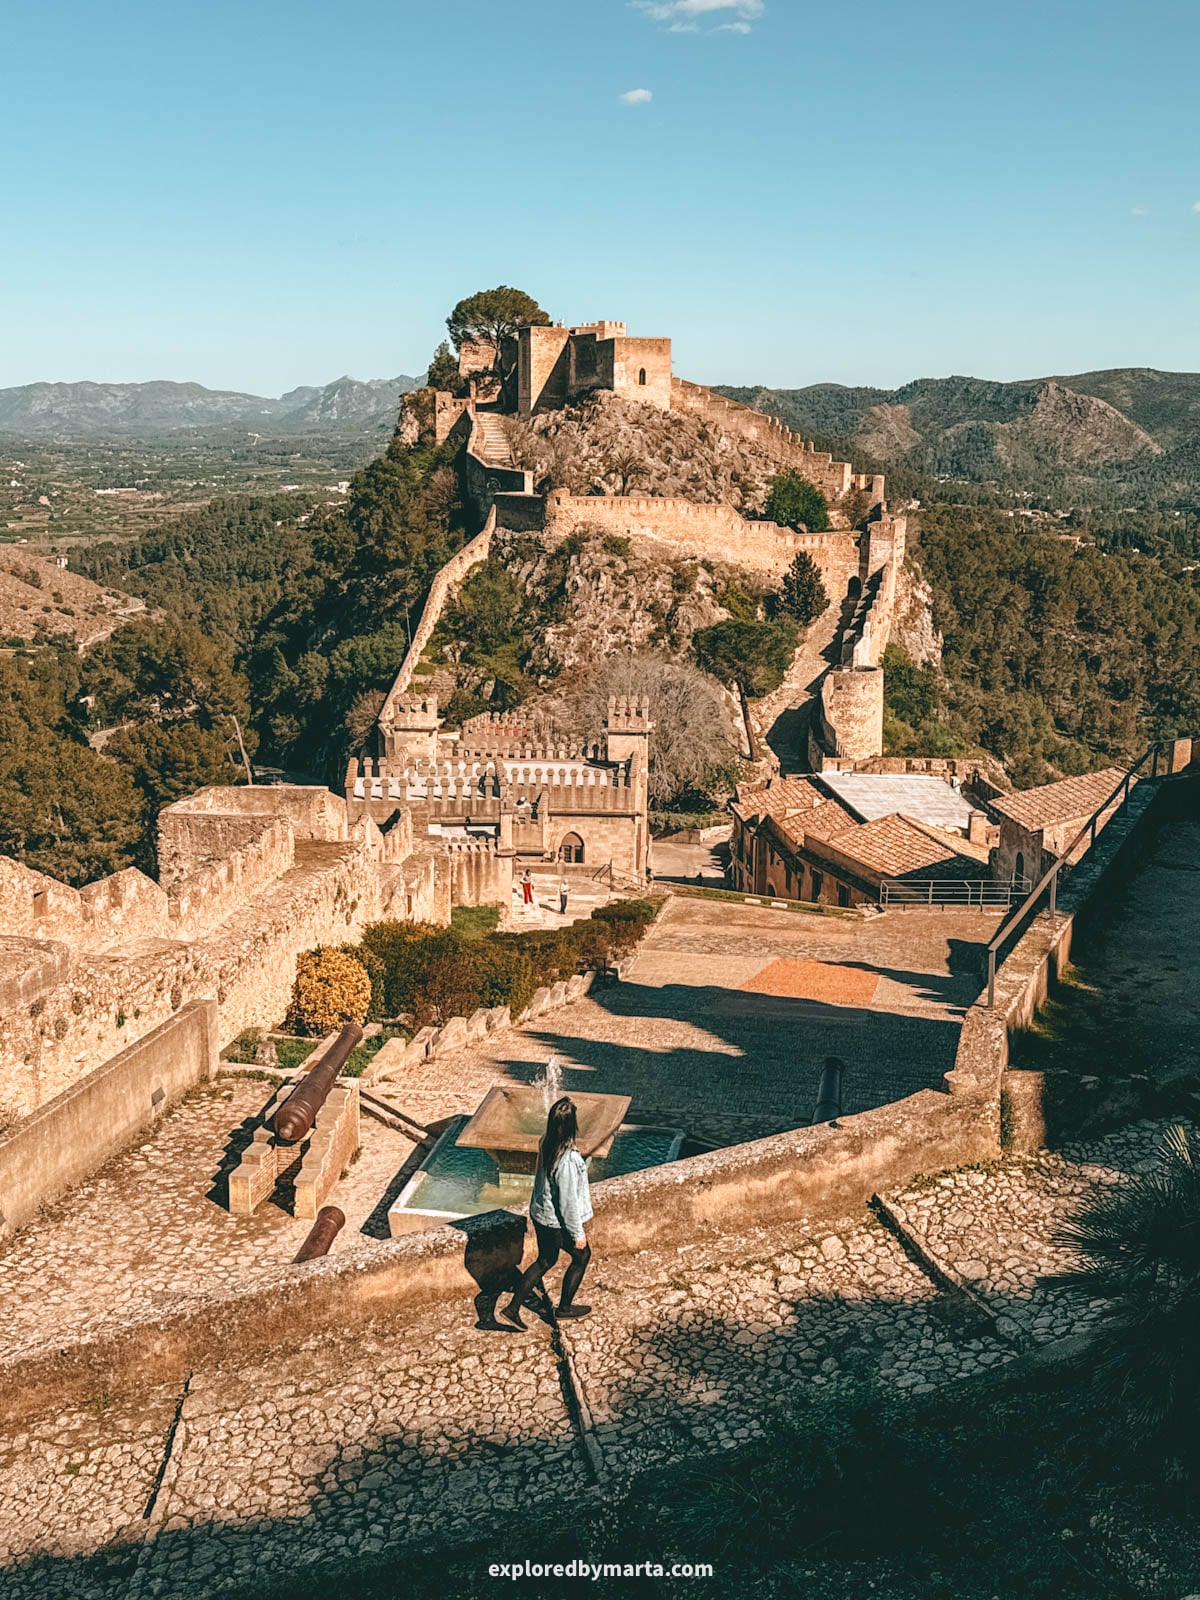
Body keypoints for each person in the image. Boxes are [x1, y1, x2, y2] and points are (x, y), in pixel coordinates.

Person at [502, 1096, 593, 1328]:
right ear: (572, 1125)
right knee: (582, 1256)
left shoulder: (546, 1141)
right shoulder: (568, 1160)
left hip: (540, 1214)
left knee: (545, 1260)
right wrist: (577, 1234)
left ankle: (513, 1308)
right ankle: (564, 1308)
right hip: (555, 1222)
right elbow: (567, 1203)